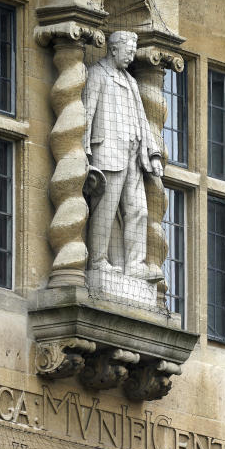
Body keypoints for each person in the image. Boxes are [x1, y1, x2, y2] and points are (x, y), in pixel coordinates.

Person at [82, 30, 163, 280]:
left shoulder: (130, 80)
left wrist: (153, 153)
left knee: (138, 209)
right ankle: (97, 260)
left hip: (133, 154)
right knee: (105, 210)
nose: (130, 58)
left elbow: (142, 119)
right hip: (107, 151)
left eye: (132, 54)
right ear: (114, 49)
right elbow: (87, 113)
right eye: (128, 53)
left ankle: (135, 264)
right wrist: (84, 152)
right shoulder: (97, 73)